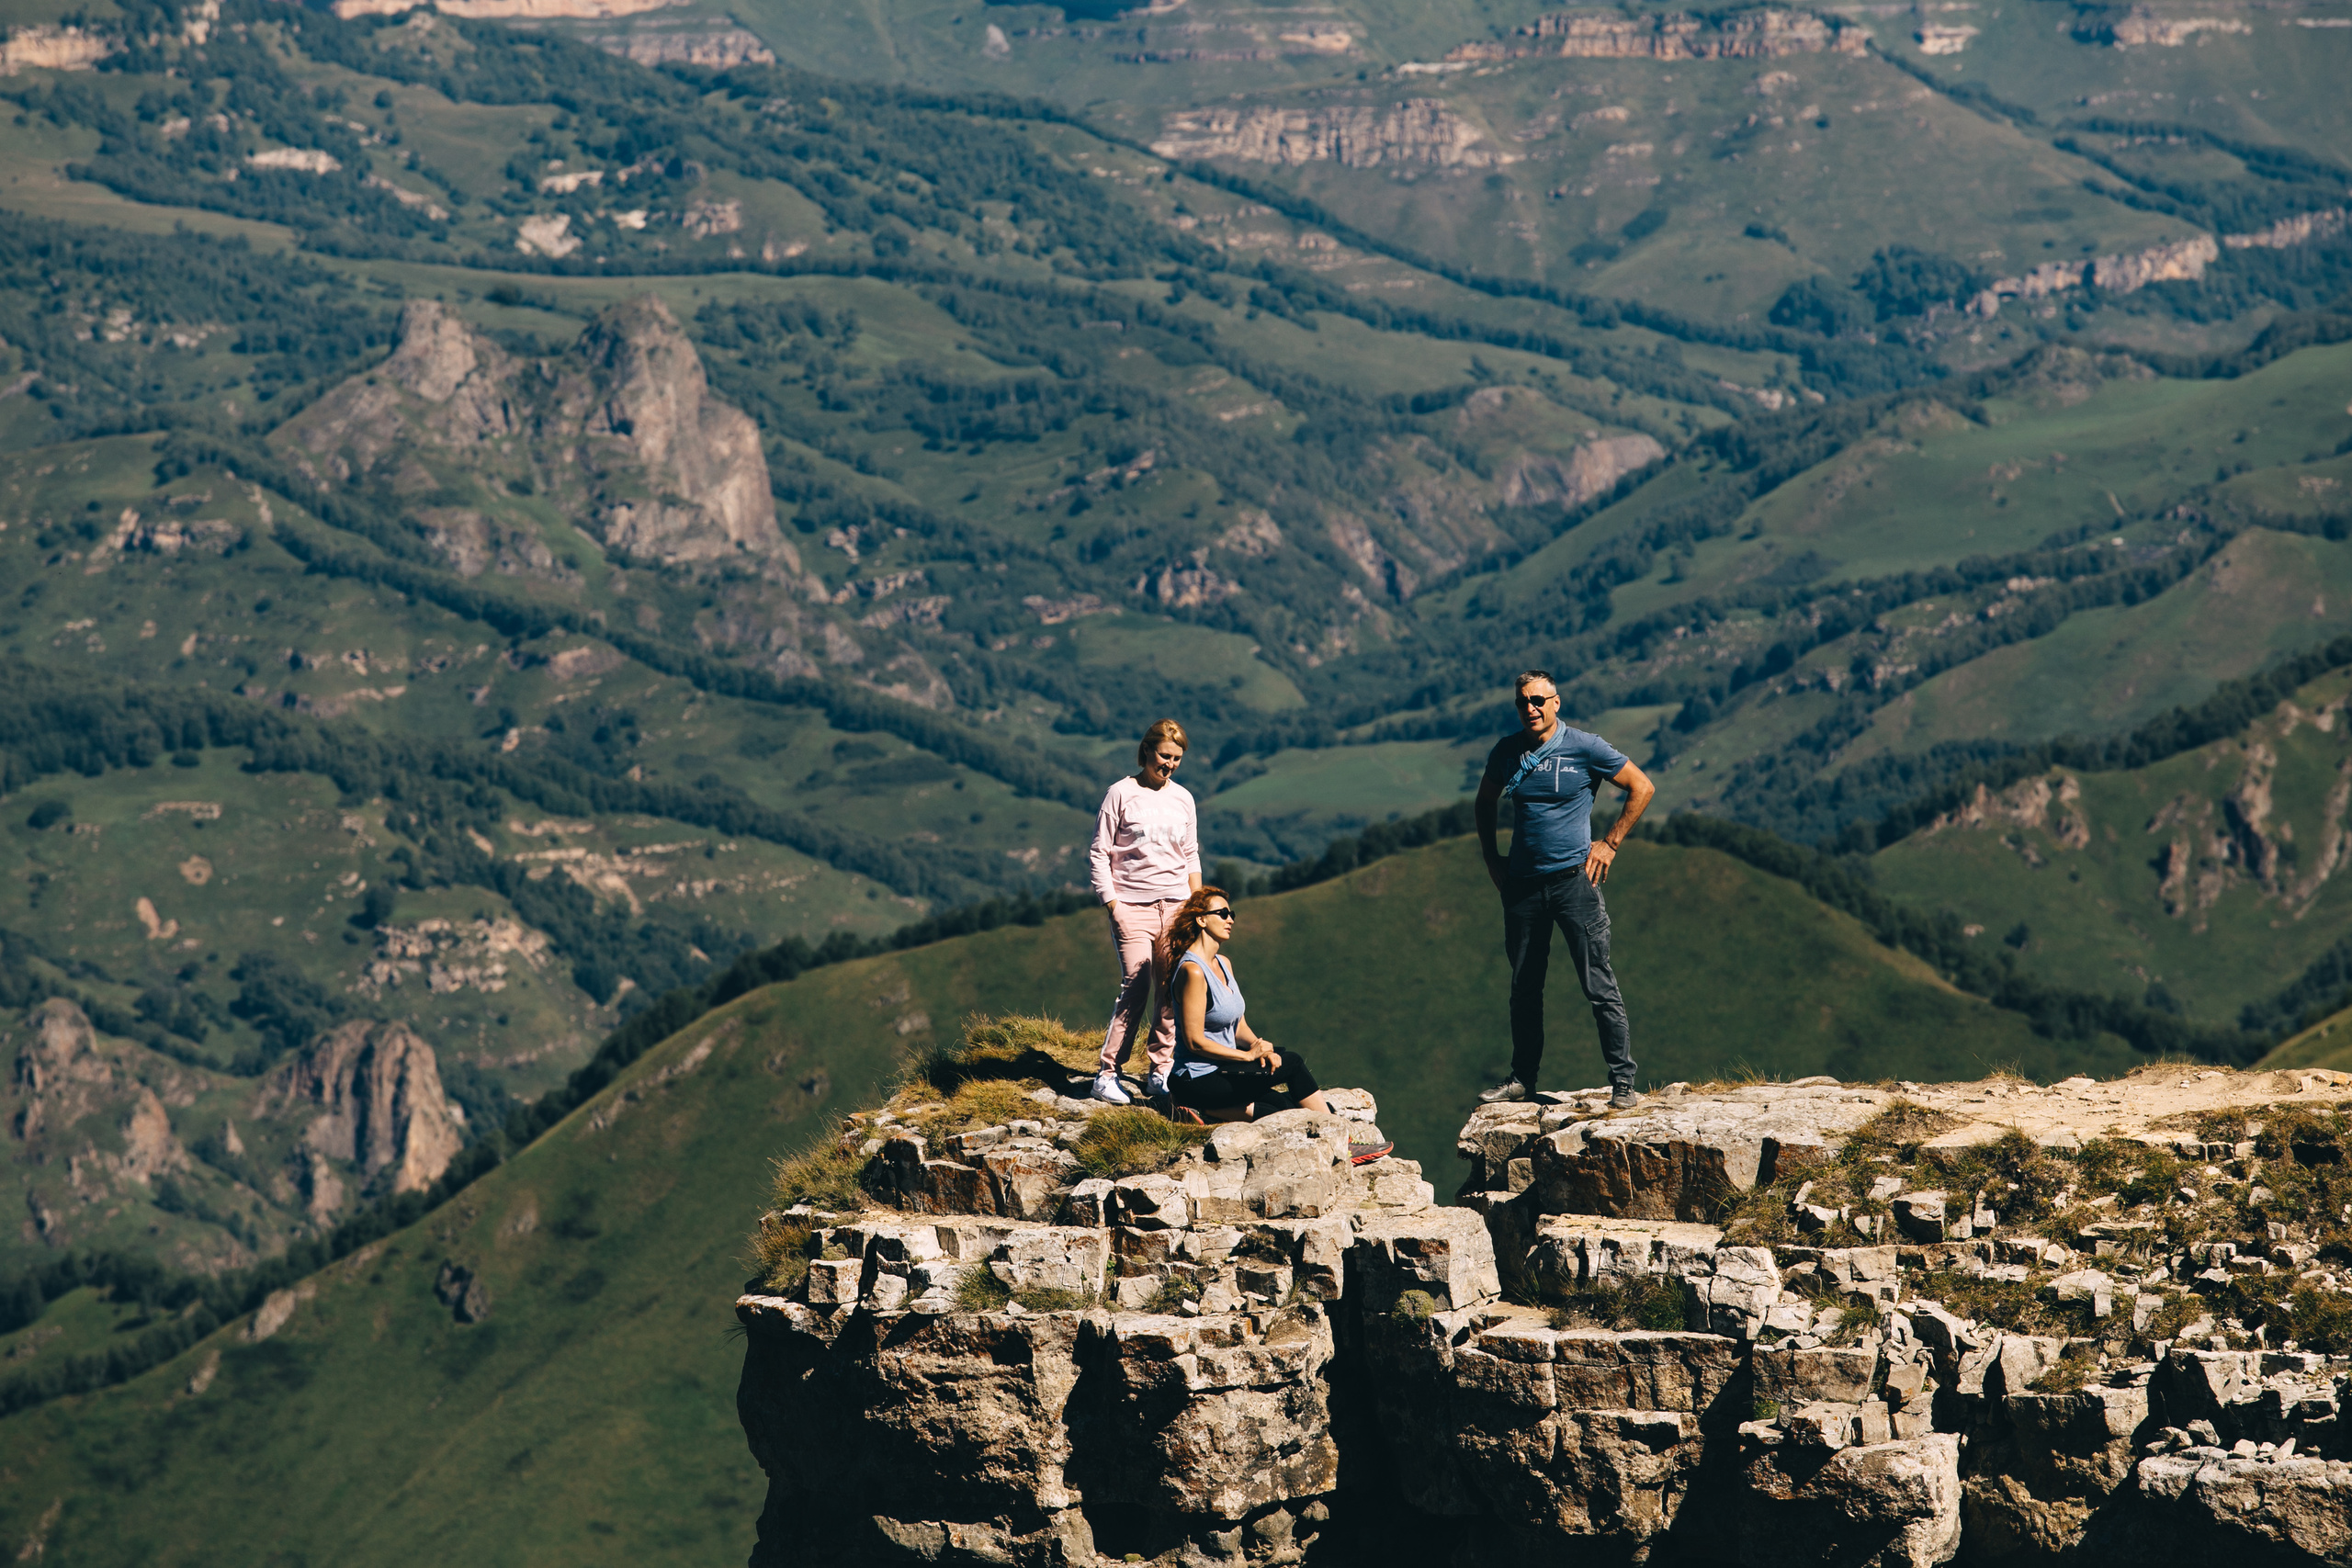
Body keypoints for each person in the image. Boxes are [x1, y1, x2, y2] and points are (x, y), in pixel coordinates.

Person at [1473, 671, 1656, 1109]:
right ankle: (1522, 1080)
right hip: (1522, 887)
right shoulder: (1506, 751)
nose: (1530, 709)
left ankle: (1623, 1083)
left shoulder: (1585, 746)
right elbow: (1483, 802)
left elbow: (1642, 786)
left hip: (1576, 882)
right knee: (1524, 986)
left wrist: (1610, 844)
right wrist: (1492, 859)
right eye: (1523, 702)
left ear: (1557, 702)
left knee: (1598, 983)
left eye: (1538, 700)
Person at [1161, 888, 1392, 1161]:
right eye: (1222, 913)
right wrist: (1247, 1056)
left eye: (1231, 914)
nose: (1230, 919)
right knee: (1292, 1063)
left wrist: (1260, 1047)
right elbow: (1193, 1041)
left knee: (1283, 1107)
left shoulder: (1223, 964)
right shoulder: (1193, 971)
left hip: (1223, 1072)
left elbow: (1236, 1026)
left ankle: (1205, 1113)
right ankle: (1345, 1143)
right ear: (1201, 920)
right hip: (1196, 1078)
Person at [1087, 718, 1202, 1104]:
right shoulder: (1120, 793)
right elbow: (1099, 853)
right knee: (1135, 987)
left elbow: (1190, 853)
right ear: (1147, 751)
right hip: (1131, 907)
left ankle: (1160, 1071)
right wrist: (1114, 905)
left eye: (1177, 759)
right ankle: (1107, 1074)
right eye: (1164, 756)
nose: (1169, 764)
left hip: (1176, 905)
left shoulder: (1183, 799)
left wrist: (1196, 904)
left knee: (1171, 990)